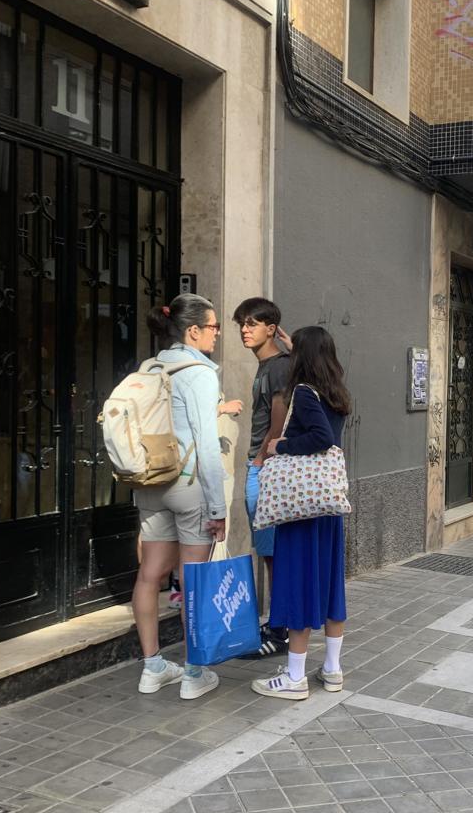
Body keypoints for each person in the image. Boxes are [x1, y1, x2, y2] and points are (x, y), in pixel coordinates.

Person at [131, 293, 228, 700]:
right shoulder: (200, 373)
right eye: (213, 327)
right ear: (193, 331)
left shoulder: (150, 367)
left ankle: (152, 667)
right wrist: (218, 507)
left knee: (150, 574)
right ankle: (193, 672)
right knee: (193, 581)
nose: (217, 335)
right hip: (189, 485)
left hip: (151, 482)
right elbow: (207, 444)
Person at [252, 326, 350, 700]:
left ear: (302, 359)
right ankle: (332, 668)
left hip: (301, 508)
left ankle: (294, 676)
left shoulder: (305, 394)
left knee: (297, 583)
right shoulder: (335, 392)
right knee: (328, 584)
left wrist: (280, 446)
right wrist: (301, 346)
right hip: (326, 505)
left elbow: (320, 438)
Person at [232, 297, 294, 659]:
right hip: (263, 467)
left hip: (265, 469)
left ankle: (280, 631)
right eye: (242, 323)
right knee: (270, 552)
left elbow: (279, 414)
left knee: (273, 555)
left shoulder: (278, 367)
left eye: (253, 323)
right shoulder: (270, 365)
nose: (245, 329)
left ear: (271, 328)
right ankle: (277, 624)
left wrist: (259, 459)